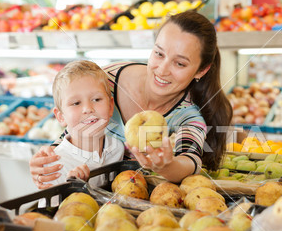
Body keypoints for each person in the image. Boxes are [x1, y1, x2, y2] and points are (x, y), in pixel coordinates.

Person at [29, 11, 233, 188]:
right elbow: (75, 124)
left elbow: (189, 162)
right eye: (158, 53)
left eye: (179, 63)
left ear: (201, 70)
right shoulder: (105, 81)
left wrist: (165, 165)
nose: (162, 70)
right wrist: (50, 159)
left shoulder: (188, 117)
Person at [44, 60, 124, 188]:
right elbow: (50, 208)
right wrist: (72, 188)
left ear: (110, 107)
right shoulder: (55, 166)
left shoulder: (117, 149)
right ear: (60, 116)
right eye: (76, 103)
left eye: (96, 99)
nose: (88, 109)